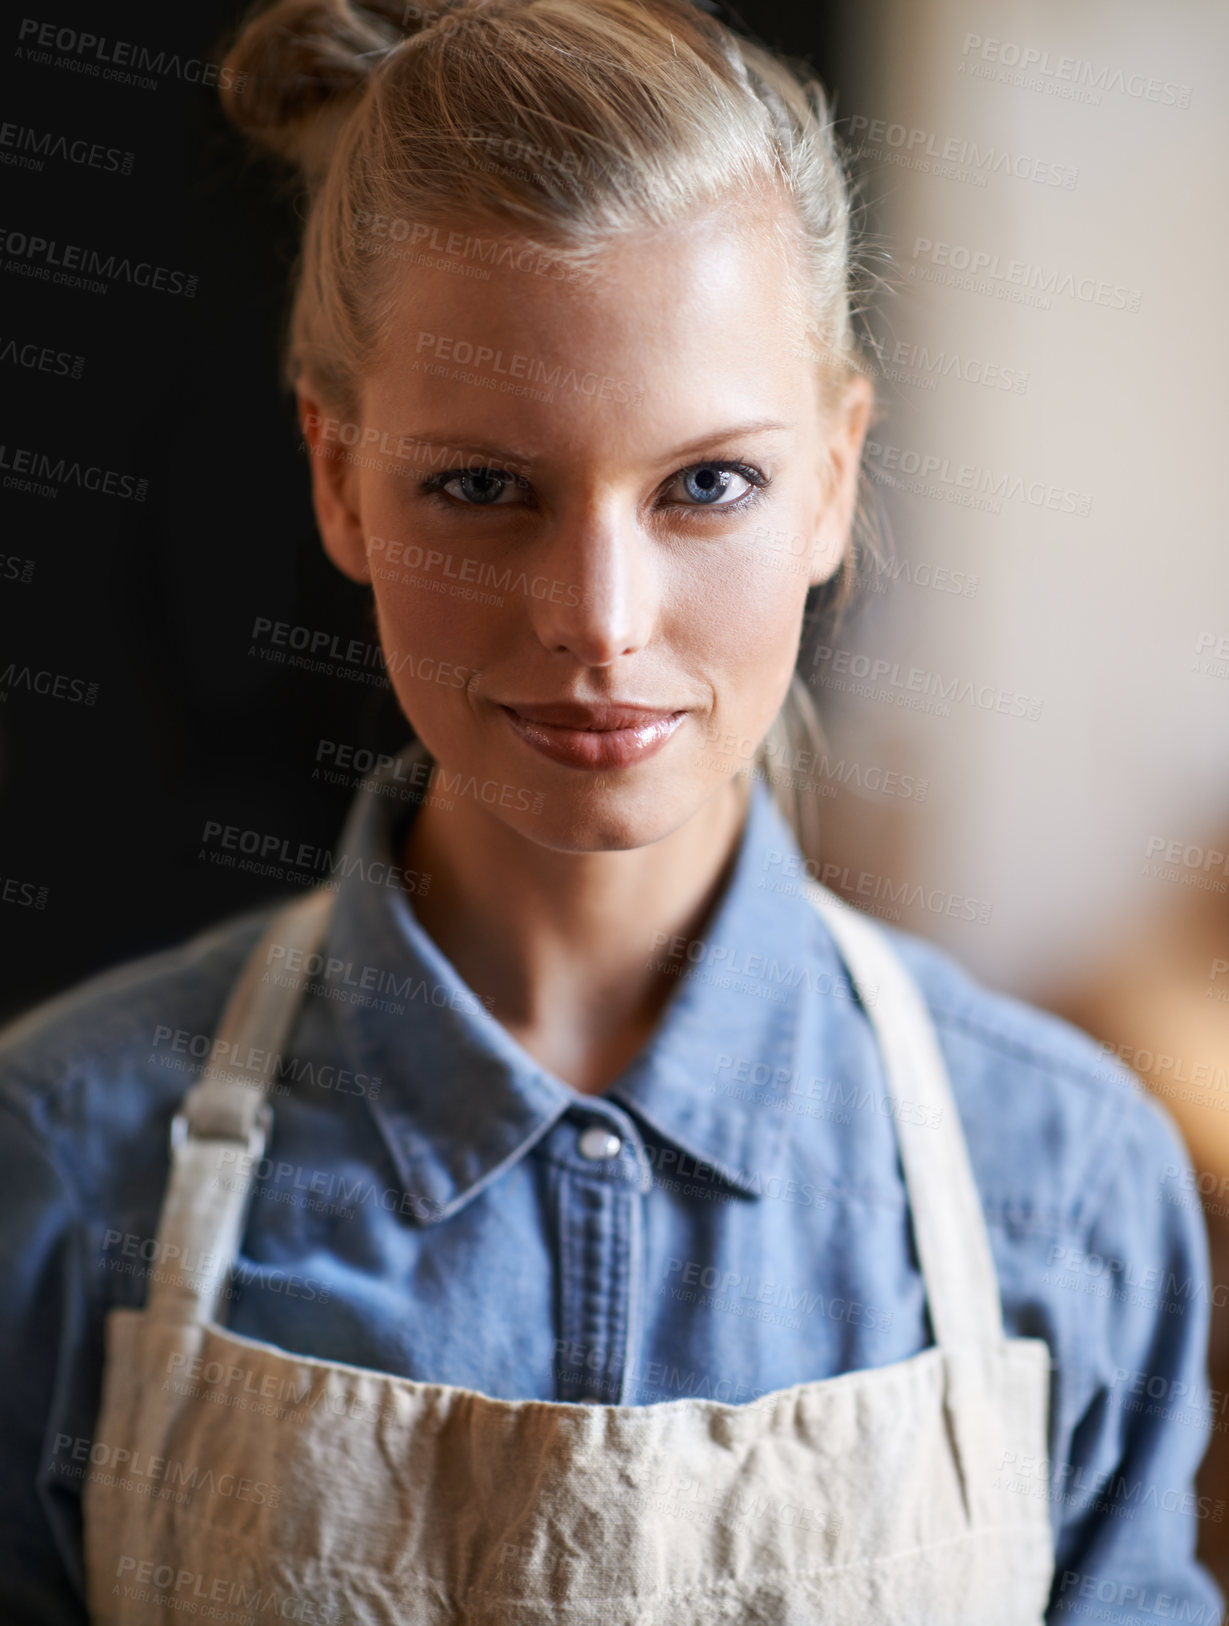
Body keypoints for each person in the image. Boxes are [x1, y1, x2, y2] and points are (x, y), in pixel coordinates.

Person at [0, 0, 1222, 1620]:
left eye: (706, 483)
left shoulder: (1068, 1182)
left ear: (835, 477)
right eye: (481, 486)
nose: (597, 614)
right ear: (335, 473)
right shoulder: (62, 1155)